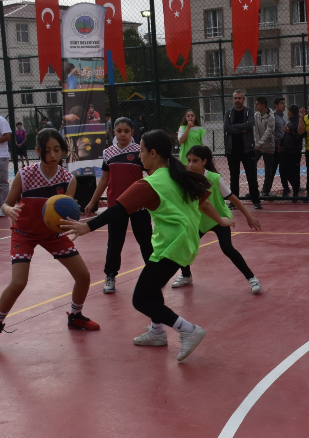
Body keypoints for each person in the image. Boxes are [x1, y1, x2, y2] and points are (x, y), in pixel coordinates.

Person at [61, 130, 232, 361]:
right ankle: (157, 332)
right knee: (152, 290)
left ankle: (188, 330)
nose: (139, 155)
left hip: (172, 245)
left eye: (141, 150)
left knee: (141, 299)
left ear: (153, 153)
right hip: (181, 242)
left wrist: (87, 227)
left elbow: (118, 210)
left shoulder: (150, 183)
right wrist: (220, 220)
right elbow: (203, 202)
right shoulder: (179, 174)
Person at [0, 129, 99, 349]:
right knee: (19, 282)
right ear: (37, 151)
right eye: (47, 150)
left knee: (83, 276)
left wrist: (71, 216)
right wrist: (9, 210)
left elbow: (65, 211)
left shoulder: (68, 179)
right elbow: (6, 203)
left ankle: (75, 316)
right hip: (24, 233)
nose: (53, 155)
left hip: (52, 234)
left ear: (63, 151)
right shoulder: (25, 174)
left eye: (57, 150)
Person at [171, 144, 262, 292]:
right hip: (200, 220)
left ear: (204, 161)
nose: (191, 164)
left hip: (219, 218)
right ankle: (186, 276)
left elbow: (233, 198)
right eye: (189, 160)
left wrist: (248, 216)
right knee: (185, 245)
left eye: (195, 161)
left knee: (227, 248)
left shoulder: (214, 178)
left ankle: (252, 278)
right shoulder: (188, 178)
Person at [85, 117, 152, 295]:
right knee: (114, 243)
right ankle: (110, 275)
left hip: (138, 204)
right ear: (113, 132)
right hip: (116, 205)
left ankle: (153, 275)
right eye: (119, 131)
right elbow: (104, 180)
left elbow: (153, 175)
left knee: (145, 241)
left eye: (126, 131)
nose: (123, 134)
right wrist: (92, 201)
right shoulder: (108, 153)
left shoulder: (139, 151)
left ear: (132, 133)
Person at [223, 89, 262, 209]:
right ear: (233, 99)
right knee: (234, 177)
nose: (237, 100)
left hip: (247, 149)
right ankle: (234, 202)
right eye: (235, 98)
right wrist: (241, 129)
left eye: (239, 98)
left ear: (243, 99)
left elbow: (250, 124)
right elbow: (226, 127)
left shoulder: (249, 111)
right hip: (232, 150)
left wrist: (234, 127)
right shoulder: (229, 113)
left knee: (252, 176)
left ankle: (256, 201)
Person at [262, 96, 288, 197]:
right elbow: (272, 133)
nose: (284, 105)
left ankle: (287, 187)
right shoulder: (273, 117)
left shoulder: (283, 117)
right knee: (272, 170)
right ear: (276, 105)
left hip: (283, 147)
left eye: (284, 103)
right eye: (281, 103)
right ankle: (266, 190)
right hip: (275, 148)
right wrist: (279, 142)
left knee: (284, 168)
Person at [279, 105, 304, 204]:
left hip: (294, 151)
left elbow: (299, 137)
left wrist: (289, 132)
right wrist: (281, 145)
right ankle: (287, 188)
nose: (287, 113)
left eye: (288, 111)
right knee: (282, 170)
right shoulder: (289, 122)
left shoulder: (298, 122)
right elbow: (285, 135)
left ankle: (296, 192)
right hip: (286, 150)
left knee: (294, 172)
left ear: (291, 112)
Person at [253, 97, 276, 201]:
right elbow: (255, 130)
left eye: (257, 104)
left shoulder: (271, 117)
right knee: (251, 165)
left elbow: (269, 132)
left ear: (263, 105)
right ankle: (254, 189)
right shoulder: (256, 115)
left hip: (268, 146)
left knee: (268, 170)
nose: (256, 106)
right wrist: (256, 143)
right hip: (258, 146)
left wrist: (260, 143)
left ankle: (266, 190)